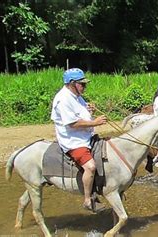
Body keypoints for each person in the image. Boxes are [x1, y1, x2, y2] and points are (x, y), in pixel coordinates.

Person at [50, 68, 107, 212]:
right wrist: (95, 122)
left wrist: (89, 110)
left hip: (86, 136)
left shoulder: (76, 95)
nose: (84, 87)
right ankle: (88, 200)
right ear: (72, 83)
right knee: (91, 166)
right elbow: (72, 123)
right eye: (82, 84)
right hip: (73, 140)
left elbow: (80, 113)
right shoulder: (63, 99)